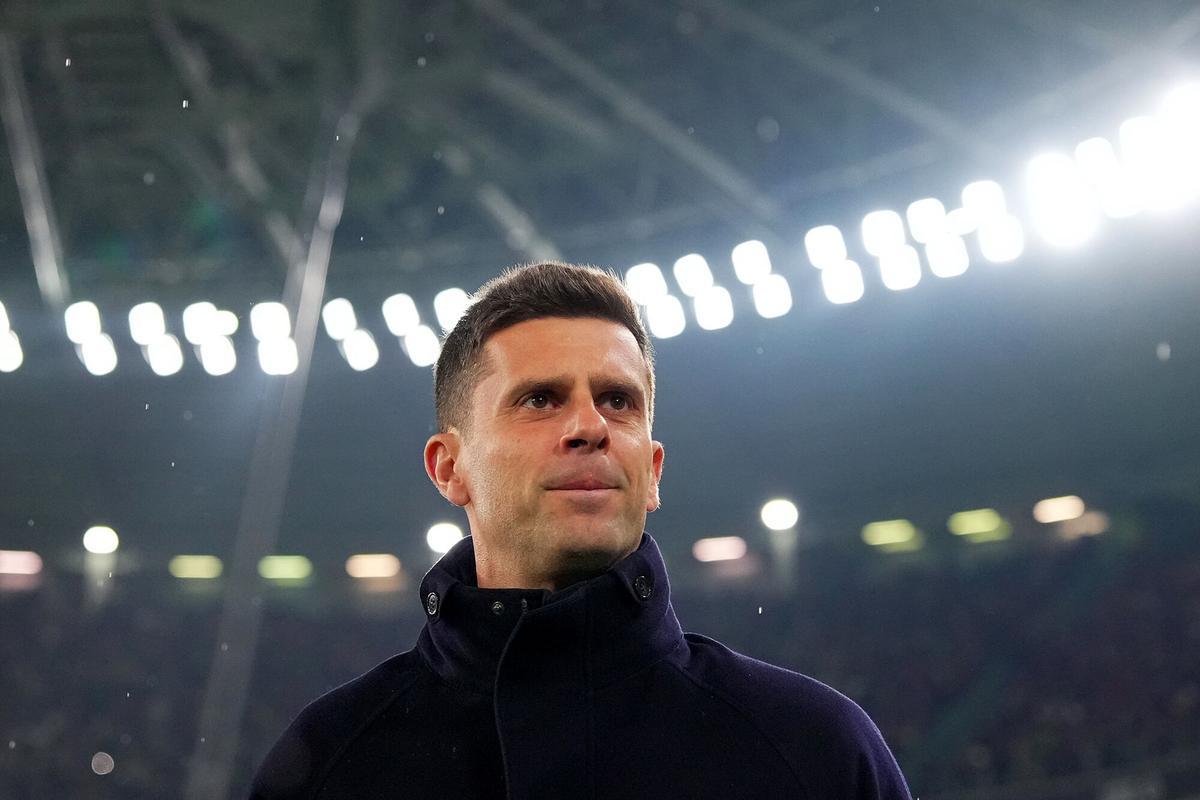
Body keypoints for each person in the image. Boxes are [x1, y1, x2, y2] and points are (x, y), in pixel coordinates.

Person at [250, 262, 913, 799]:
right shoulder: (332, 764)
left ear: (651, 471)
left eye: (617, 400)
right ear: (450, 468)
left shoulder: (816, 751)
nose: (590, 426)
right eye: (541, 399)